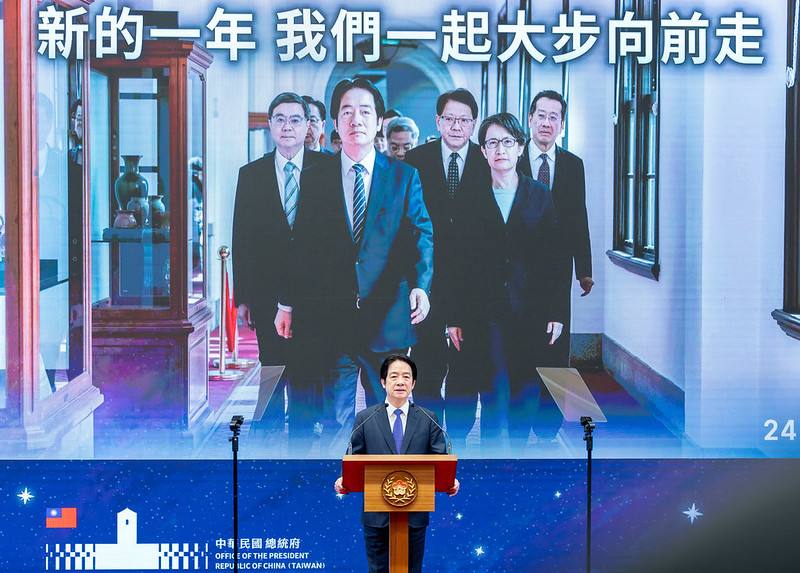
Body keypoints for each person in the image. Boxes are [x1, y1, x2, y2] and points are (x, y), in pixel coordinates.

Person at [275, 78, 433, 454]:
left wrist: (421, 284)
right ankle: (339, 492)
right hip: (333, 318)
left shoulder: (404, 176)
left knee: (390, 416)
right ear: (334, 122)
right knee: (334, 417)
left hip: (389, 316)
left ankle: (388, 493)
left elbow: (421, 234)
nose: (355, 119)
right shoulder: (314, 177)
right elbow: (300, 247)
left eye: (365, 111)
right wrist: (287, 303)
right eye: (347, 111)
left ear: (378, 121)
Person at [446, 113, 566, 453]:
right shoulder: (468, 197)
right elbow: (456, 262)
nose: (500, 150)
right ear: (483, 152)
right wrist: (454, 316)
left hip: (530, 309)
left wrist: (556, 311)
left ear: (520, 147)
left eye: (507, 142)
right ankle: (494, 459)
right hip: (483, 311)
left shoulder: (539, 195)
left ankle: (516, 455)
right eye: (492, 143)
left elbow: (555, 260)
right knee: (493, 387)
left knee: (525, 386)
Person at [232, 92, 329, 447]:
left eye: (295, 120)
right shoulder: (251, 174)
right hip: (266, 292)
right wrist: (242, 297)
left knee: (307, 366)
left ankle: (304, 446)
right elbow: (241, 237)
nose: (287, 127)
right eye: (280, 119)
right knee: (271, 363)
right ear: (270, 125)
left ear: (308, 126)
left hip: (314, 293)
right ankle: (268, 442)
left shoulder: (328, 170)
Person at [405, 88, 491, 425]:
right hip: (427, 278)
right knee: (426, 361)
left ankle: (458, 430)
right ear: (438, 121)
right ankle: (429, 427)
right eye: (450, 119)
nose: (457, 126)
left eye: (464, 120)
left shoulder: (487, 162)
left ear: (473, 124)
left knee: (465, 363)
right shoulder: (416, 160)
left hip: (472, 283)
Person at [334, 355, 459, 573]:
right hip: (376, 516)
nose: (400, 382)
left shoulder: (428, 418)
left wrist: (450, 480)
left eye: (406, 377)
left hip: (414, 515)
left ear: (413, 384)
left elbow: (440, 460)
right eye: (394, 376)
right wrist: (344, 479)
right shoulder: (365, 418)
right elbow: (354, 459)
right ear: (383, 382)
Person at [519, 90, 593, 368]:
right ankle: (523, 406)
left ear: (562, 125)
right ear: (530, 119)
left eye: (554, 117)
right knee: (521, 346)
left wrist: (584, 270)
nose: (546, 123)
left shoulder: (574, 165)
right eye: (541, 116)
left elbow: (578, 218)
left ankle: (552, 410)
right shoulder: (511, 158)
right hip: (516, 268)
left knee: (555, 347)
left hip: (557, 271)